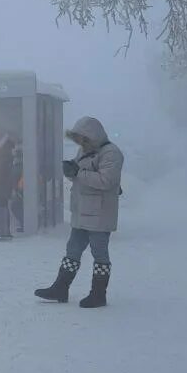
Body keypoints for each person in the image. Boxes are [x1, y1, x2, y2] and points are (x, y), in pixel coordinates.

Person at [34, 116, 124, 308]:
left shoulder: (111, 153)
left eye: (84, 139)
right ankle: (60, 287)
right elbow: (80, 173)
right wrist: (70, 170)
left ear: (93, 136)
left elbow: (106, 181)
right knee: (72, 250)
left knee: (99, 253)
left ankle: (98, 294)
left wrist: (77, 173)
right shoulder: (85, 151)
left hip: (100, 213)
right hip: (82, 211)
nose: (81, 143)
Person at [0, 132, 19, 237]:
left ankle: (2, 230)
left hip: (1, 187)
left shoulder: (2, 157)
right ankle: (3, 230)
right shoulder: (6, 157)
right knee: (2, 207)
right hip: (3, 187)